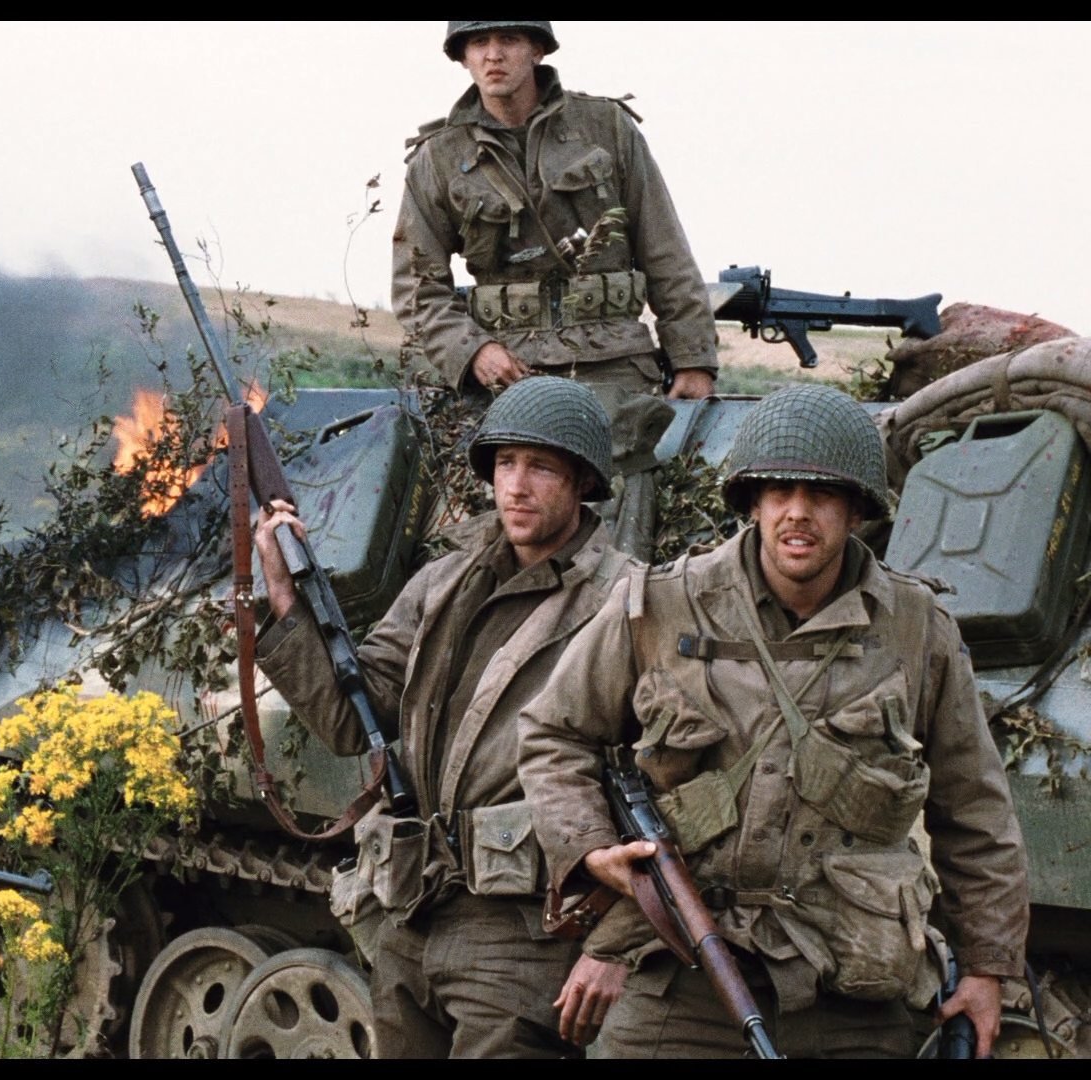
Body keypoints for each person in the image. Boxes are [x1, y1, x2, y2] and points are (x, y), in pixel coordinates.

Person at [518, 384, 1029, 1057]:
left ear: (857, 510)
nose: (798, 513)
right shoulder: (661, 606)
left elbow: (975, 809)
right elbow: (553, 733)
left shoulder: (918, 630)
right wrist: (590, 849)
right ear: (752, 502)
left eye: (822, 496)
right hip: (686, 970)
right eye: (779, 491)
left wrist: (987, 968)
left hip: (853, 979)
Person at [252, 376, 635, 1056]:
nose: (516, 486)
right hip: (415, 908)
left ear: (583, 482)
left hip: (525, 930)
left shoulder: (627, 602)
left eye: (541, 468)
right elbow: (354, 719)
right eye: (505, 464)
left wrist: (615, 945)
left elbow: (661, 789)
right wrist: (285, 599)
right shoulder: (444, 581)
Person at [392, 20, 718, 403]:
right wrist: (473, 351)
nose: (493, 55)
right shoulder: (438, 158)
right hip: (506, 371)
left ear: (537, 50)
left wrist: (693, 360)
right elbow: (416, 286)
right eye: (479, 42)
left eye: (509, 40)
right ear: (463, 56)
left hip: (614, 364)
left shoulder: (606, 128)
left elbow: (665, 251)